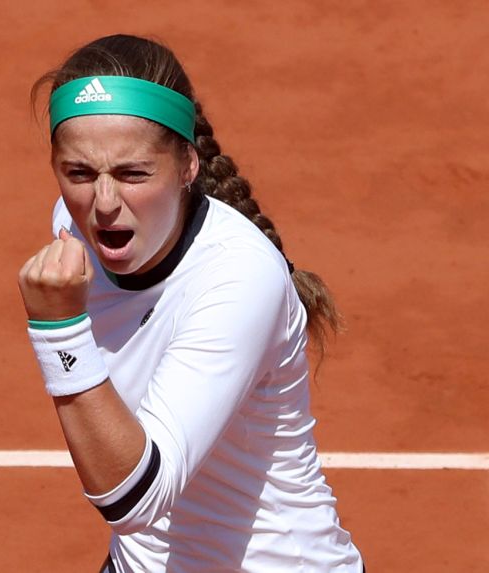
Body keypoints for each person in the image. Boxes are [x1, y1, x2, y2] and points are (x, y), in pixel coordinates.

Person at [18, 34, 364, 572]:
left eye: (134, 174)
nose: (103, 204)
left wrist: (58, 330)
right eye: (79, 173)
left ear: (187, 166)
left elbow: (133, 497)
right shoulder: (72, 225)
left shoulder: (238, 277)